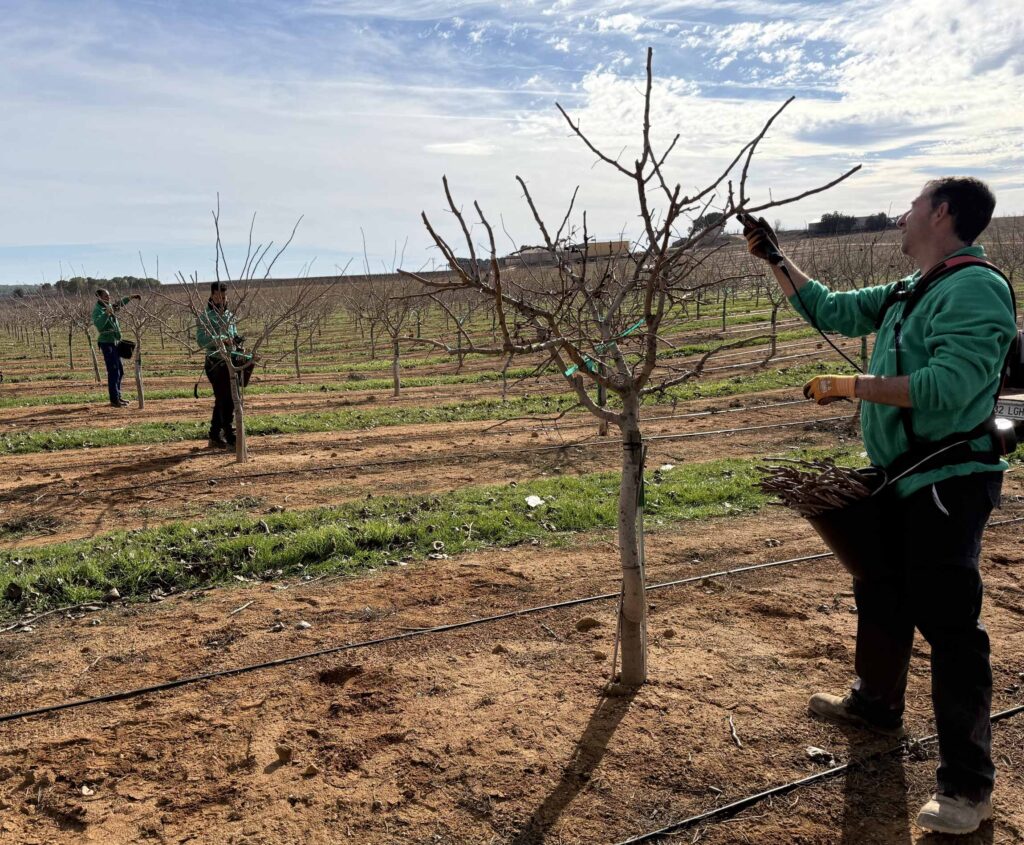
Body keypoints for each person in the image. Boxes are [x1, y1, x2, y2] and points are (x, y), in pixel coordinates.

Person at [743, 177, 1016, 836]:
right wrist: (775, 256)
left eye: (912, 206)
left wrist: (852, 385)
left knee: (949, 623)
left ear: (942, 213)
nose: (901, 216)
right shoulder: (908, 289)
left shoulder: (973, 289)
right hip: (902, 474)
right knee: (881, 587)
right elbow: (831, 308)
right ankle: (875, 705)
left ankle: (968, 786)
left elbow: (949, 388)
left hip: (950, 478)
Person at [196, 282, 254, 449]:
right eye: (218, 296)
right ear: (212, 295)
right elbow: (201, 340)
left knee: (224, 399)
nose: (221, 300)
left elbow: (233, 334)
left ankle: (215, 435)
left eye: (224, 297)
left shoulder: (229, 315)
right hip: (216, 363)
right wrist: (221, 339)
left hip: (230, 361)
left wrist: (237, 342)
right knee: (227, 400)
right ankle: (231, 437)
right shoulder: (205, 317)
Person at [92, 288, 140, 407]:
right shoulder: (98, 310)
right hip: (106, 343)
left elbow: (119, 304)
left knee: (120, 371)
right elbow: (99, 325)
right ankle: (114, 400)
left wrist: (130, 297)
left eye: (109, 296)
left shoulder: (108, 306)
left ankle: (118, 396)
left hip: (115, 342)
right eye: (105, 296)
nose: (108, 298)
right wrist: (106, 314)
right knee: (114, 371)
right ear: (99, 297)